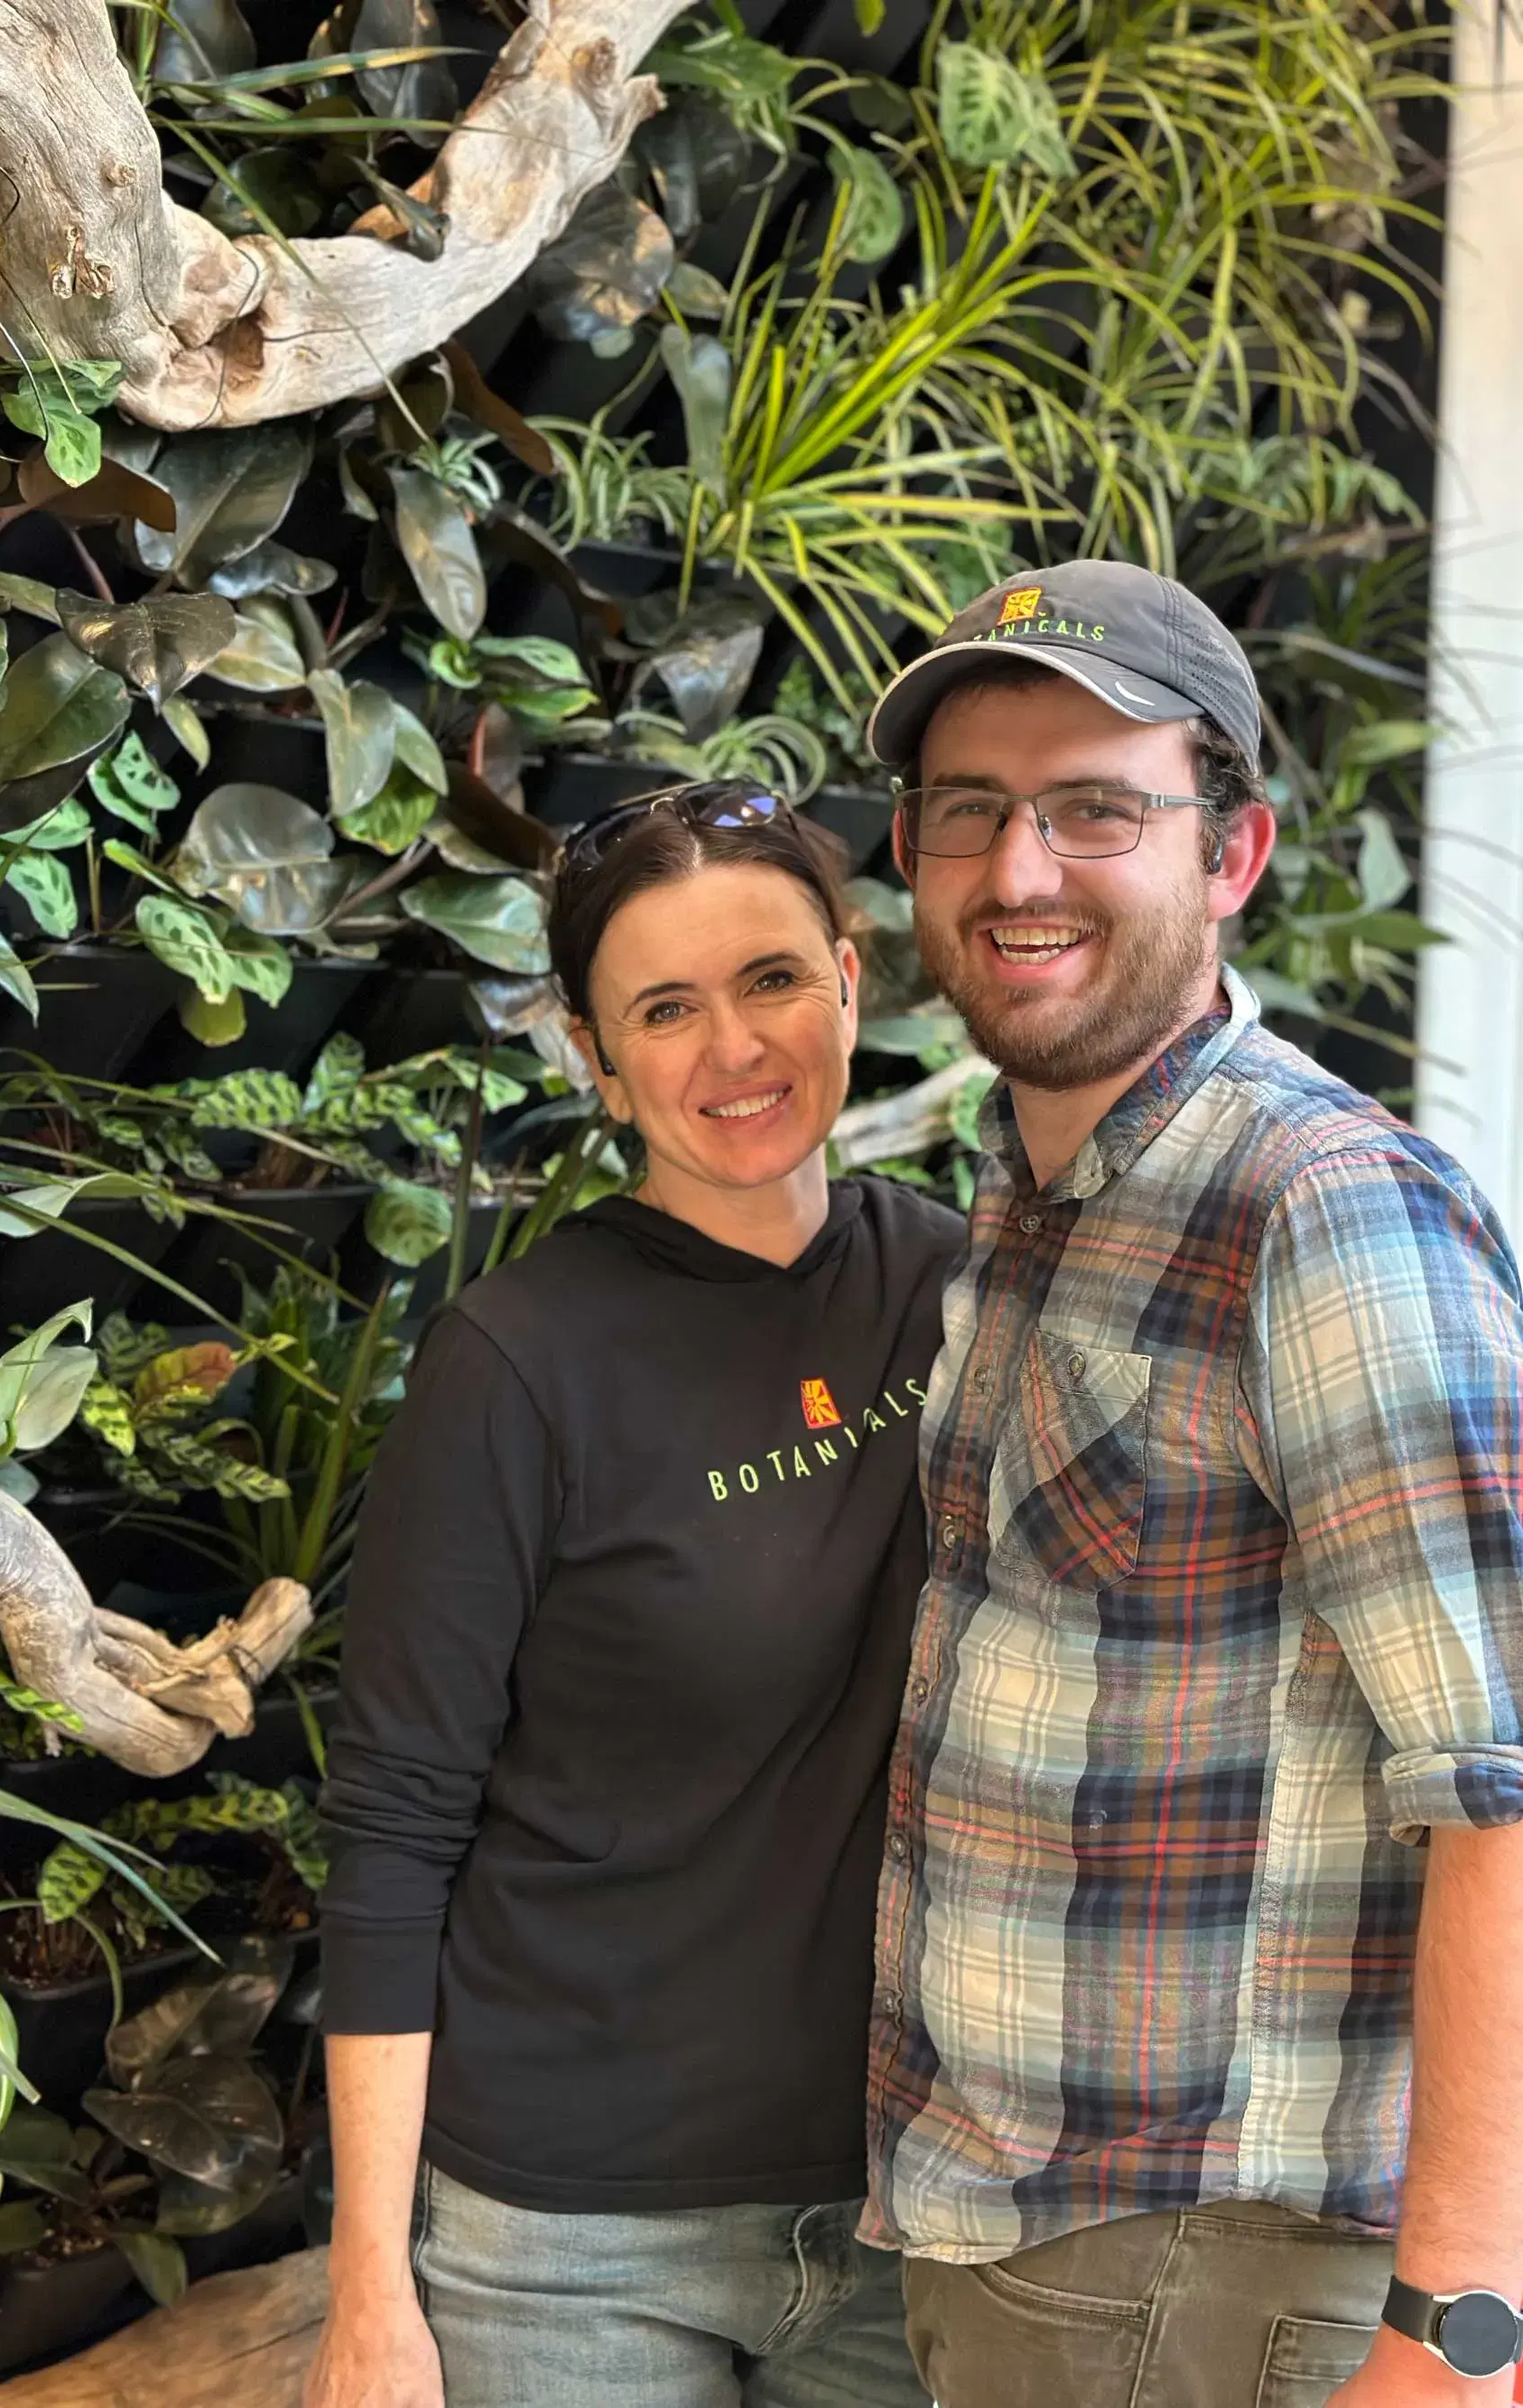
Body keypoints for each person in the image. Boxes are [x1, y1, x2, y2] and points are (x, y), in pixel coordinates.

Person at [859, 559, 1523, 2408]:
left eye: (1095, 809)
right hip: (1023, 2237)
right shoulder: (1021, 1199)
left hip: (1212, 2270)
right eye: (970, 813)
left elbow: (1502, 1779)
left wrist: (1462, 2330)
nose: (1018, 872)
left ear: (1230, 856)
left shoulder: (1316, 1203)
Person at [303, 782, 961, 2408]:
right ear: (597, 1063)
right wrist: (369, 2289)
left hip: (907, 2200)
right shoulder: (517, 1365)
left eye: (770, 979)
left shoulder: (960, 1286)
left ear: (850, 981)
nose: (731, 1048)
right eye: (663, 1009)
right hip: (567, 2231)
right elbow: (393, 1828)